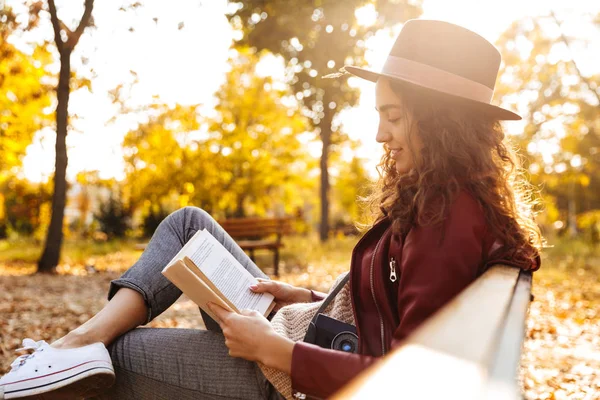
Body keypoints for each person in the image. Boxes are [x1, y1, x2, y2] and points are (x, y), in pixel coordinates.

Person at [0, 19, 542, 400]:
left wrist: (276, 352)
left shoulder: (446, 220)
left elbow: (407, 381)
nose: (379, 134)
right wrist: (304, 297)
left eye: (394, 117)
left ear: (440, 122)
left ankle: (78, 351)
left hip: (287, 376)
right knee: (188, 223)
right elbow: (388, 305)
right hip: (301, 329)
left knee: (117, 359)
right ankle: (77, 344)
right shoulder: (441, 199)